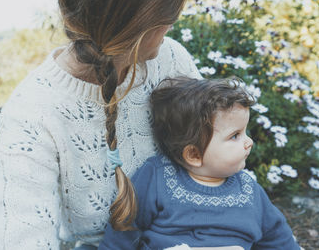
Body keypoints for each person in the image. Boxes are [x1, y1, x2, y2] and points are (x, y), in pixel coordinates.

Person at [0, 0, 202, 249]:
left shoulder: (171, 60)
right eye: (169, 11)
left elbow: (219, 155)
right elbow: (18, 236)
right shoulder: (32, 112)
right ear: (136, 15)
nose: (173, 22)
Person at [99, 77, 301, 250]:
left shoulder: (249, 191)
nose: (249, 142)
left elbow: (278, 237)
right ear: (194, 154)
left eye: (245, 132)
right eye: (235, 136)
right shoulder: (156, 176)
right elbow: (124, 226)